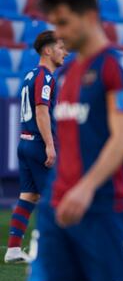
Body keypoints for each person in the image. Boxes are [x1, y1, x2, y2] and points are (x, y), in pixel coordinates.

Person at [28, 0, 123, 281]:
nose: (58, 34)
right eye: (54, 25)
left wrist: (86, 187)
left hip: (101, 207)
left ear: (90, 17)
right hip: (57, 208)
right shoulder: (66, 76)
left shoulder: (117, 67)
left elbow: (122, 139)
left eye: (64, 23)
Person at [4, 30, 66, 263]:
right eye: (61, 47)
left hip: (25, 142)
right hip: (39, 143)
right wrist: (50, 145)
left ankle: (13, 249)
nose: (65, 52)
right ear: (48, 50)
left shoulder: (30, 75)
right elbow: (41, 110)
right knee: (55, 197)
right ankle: (46, 251)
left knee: (29, 195)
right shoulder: (46, 77)